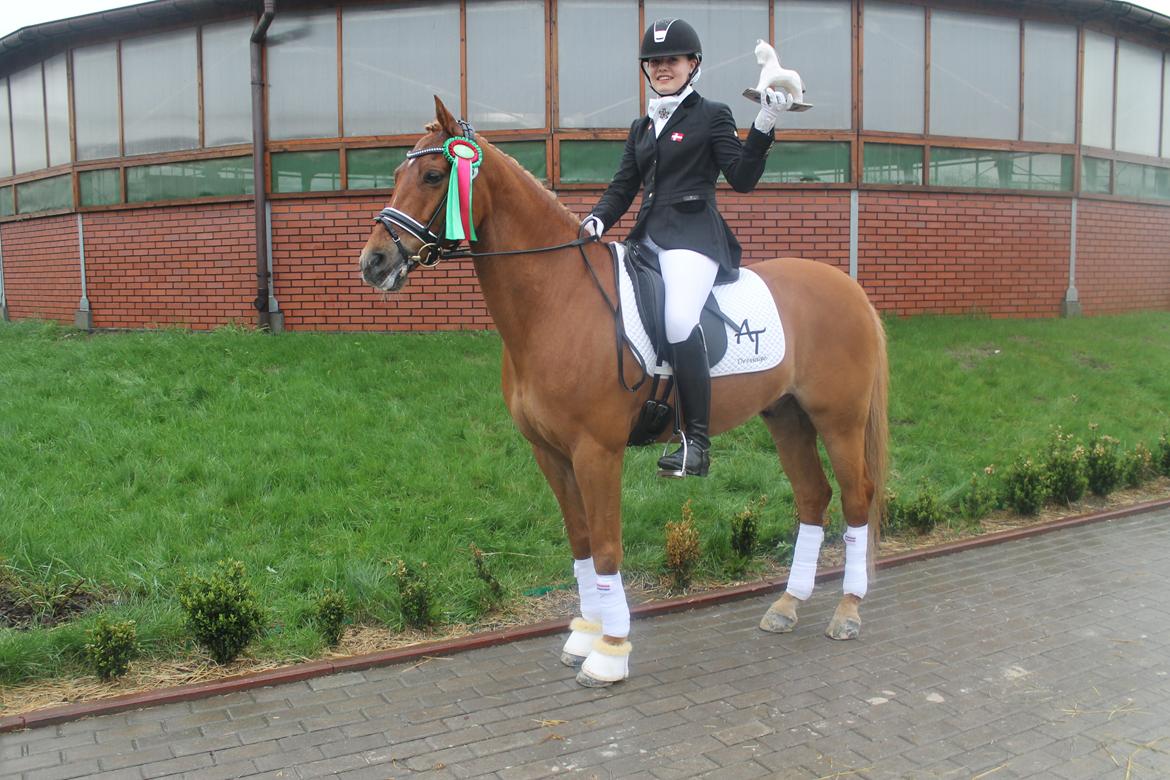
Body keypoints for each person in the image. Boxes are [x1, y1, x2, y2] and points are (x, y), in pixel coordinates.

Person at [582, 18, 792, 477]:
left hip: (693, 239)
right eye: (654, 62)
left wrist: (765, 121)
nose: (662, 68)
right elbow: (624, 186)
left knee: (679, 318)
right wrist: (597, 219)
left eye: (671, 60)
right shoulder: (642, 127)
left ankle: (695, 441)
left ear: (693, 64)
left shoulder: (711, 114)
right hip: (647, 239)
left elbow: (742, 178)